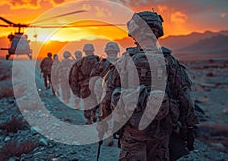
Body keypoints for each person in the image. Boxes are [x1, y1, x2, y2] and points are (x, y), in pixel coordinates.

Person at [98, 11, 198, 161]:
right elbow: (184, 97)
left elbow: (107, 97)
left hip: (132, 131)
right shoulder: (170, 61)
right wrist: (188, 127)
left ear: (134, 33)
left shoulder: (124, 61)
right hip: (161, 132)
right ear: (158, 32)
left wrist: (104, 123)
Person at [90, 41, 120, 146]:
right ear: (117, 51)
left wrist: (94, 93)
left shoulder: (101, 63)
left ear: (106, 51)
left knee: (104, 115)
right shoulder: (123, 62)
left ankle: (107, 134)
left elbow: (93, 78)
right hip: (118, 93)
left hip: (104, 93)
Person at [69, 44, 100, 124]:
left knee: (87, 102)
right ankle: (94, 113)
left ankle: (88, 119)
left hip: (85, 85)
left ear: (85, 52)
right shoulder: (99, 60)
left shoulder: (80, 62)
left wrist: (75, 87)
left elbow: (74, 75)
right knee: (96, 99)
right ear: (93, 50)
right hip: (97, 84)